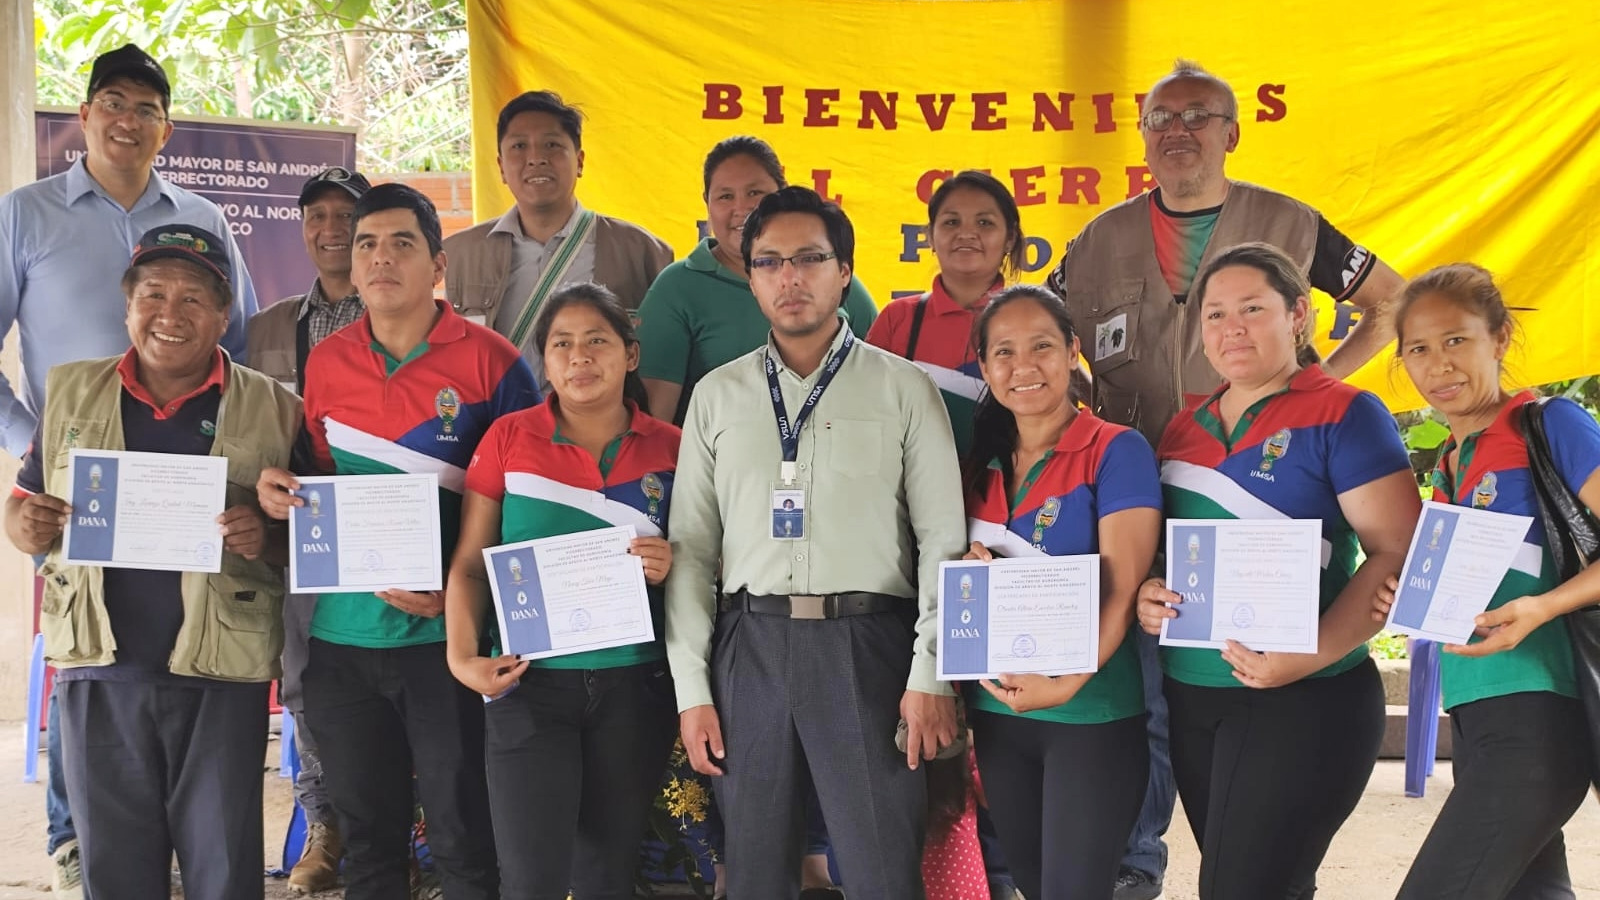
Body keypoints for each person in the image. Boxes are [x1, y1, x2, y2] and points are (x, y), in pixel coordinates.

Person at [1044, 59, 1407, 900]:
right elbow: (1048, 340)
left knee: (1251, 868)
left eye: (1199, 115)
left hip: (1289, 535)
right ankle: (1140, 865)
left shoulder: (1291, 225)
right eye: (1161, 117)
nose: (1179, 131)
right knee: (1158, 701)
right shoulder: (1099, 238)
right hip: (1153, 491)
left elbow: (1389, 302)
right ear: (1142, 137)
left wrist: (1317, 380)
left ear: (1232, 132)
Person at [0, 45, 259, 897]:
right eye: (112, 101)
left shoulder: (203, 215)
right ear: (84, 115)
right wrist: (32, 444)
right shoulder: (26, 214)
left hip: (192, 482)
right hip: (77, 496)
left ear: (165, 128)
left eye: (146, 108)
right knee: (91, 671)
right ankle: (81, 850)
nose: (127, 120)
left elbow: (244, 341)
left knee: (192, 667)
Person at [665, 185, 968, 900]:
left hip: (870, 646)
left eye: (809, 258)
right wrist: (692, 687)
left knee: (880, 869)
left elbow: (942, 540)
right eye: (769, 261)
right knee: (756, 872)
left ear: (845, 270)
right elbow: (692, 552)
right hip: (751, 646)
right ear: (750, 276)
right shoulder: (716, 396)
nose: (789, 278)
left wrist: (932, 673)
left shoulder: (904, 390)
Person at [257, 183, 540, 900]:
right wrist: (280, 492)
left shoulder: (494, 363)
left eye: (402, 243)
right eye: (366, 246)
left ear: (438, 265)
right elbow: (317, 478)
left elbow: (532, 496)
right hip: (341, 643)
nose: (382, 260)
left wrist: (458, 594)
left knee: (462, 833)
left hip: (445, 646)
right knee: (370, 841)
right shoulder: (326, 364)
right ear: (350, 268)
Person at [3, 224, 299, 900]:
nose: (171, 314)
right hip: (100, 673)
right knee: (116, 872)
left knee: (223, 869)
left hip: (220, 677)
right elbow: (25, 512)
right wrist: (25, 524)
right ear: (127, 305)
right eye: (154, 295)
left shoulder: (276, 408)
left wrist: (267, 536)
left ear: (224, 314)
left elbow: (304, 536)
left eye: (194, 299)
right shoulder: (73, 394)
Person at [1135, 243, 1420, 899]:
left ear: (1298, 314)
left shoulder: (1345, 412)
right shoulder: (1183, 428)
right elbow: (1166, 554)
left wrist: (1306, 655)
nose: (1231, 328)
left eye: (1252, 309)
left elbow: (1398, 554)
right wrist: (1152, 591)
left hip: (1304, 698)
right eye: (1215, 315)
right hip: (1193, 699)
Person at [445, 282, 680, 899]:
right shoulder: (507, 440)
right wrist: (462, 657)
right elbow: (471, 564)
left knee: (607, 875)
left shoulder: (674, 448)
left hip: (636, 688)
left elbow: (710, 563)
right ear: (543, 362)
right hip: (529, 686)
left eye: (597, 341)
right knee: (531, 879)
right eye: (562, 344)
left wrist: (675, 560)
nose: (580, 357)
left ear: (630, 355)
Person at [1372, 264, 1599, 899]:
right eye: (1418, 348)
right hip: (1475, 717)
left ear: (1498, 339)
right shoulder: (1450, 462)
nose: (1438, 364)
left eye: (1456, 340)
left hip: (1538, 716)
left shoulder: (1548, 425)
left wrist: (1544, 607)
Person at [958, 285, 1161, 899]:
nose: (1024, 367)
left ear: (1073, 350)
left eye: (1042, 346)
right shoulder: (980, 465)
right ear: (985, 367)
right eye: (1004, 353)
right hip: (999, 715)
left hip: (1091, 713)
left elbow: (1124, 588)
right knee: (1029, 881)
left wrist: (1070, 679)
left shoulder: (1115, 449)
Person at [244, 164, 372, 893]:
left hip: (396, 529)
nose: (332, 229)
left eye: (346, 215)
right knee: (304, 683)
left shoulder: (404, 314)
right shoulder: (265, 328)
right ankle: (325, 825)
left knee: (408, 680)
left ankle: (401, 829)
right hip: (300, 533)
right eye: (317, 215)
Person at [637, 135, 877, 425]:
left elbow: (882, 381)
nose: (742, 208)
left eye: (754, 193)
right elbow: (654, 424)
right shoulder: (676, 289)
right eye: (725, 196)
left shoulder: (831, 277)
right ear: (707, 204)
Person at [443, 90, 673, 392]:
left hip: (597, 433)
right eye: (519, 146)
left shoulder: (643, 251)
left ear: (579, 161)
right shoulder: (459, 254)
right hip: (498, 431)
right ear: (500, 167)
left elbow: (661, 366)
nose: (536, 158)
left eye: (552, 145)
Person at [867, 170, 1024, 456]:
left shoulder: (1032, 318)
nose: (966, 233)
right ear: (929, 235)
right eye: (951, 222)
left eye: (984, 222)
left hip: (1009, 493)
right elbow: (866, 416)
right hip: (914, 492)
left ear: (1010, 238)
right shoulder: (897, 319)